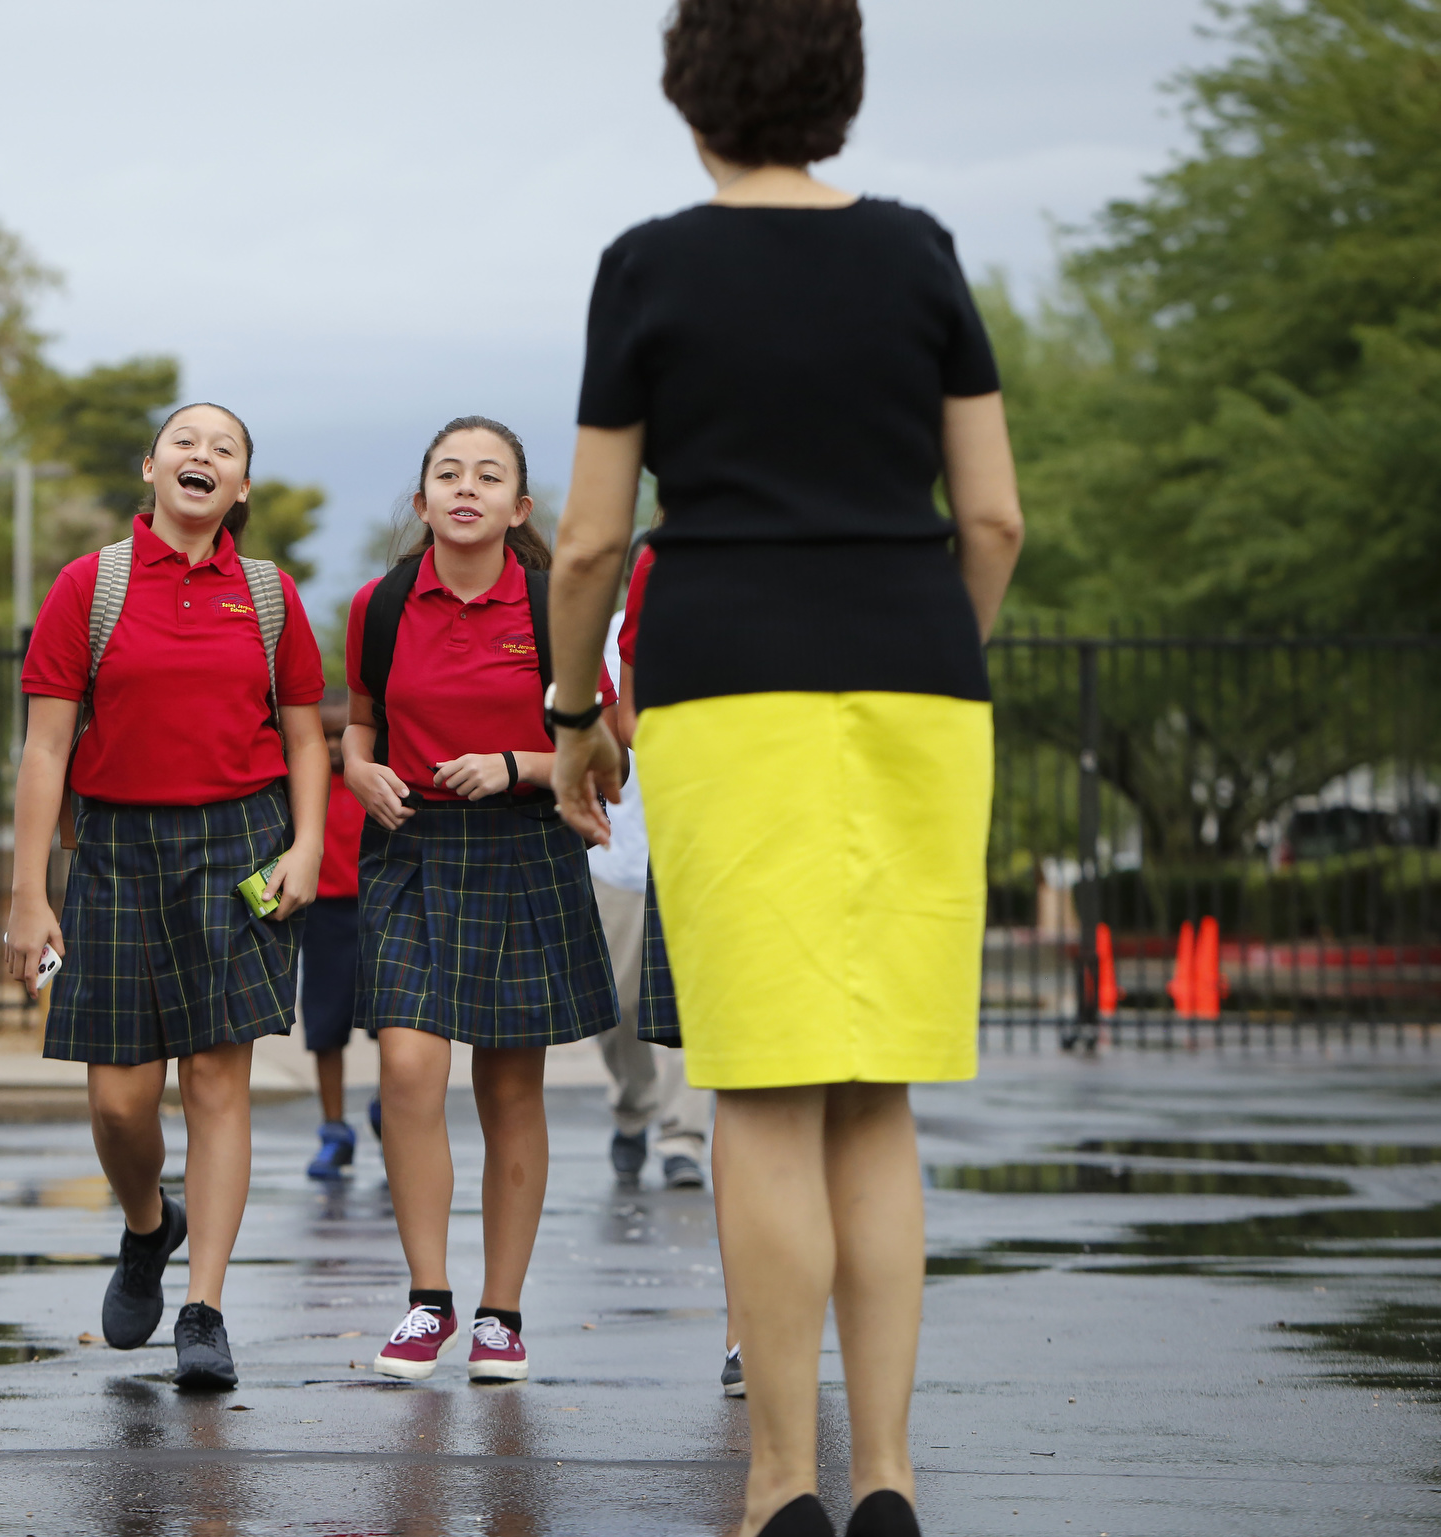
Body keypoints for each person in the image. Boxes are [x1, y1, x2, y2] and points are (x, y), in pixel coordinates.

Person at [545, 2, 1025, 1533]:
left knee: (758, 1090)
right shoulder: (920, 251)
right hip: (919, 680)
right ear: (844, 89)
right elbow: (997, 520)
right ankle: (886, 1475)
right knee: (875, 1092)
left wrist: (572, 711)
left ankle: (781, 1484)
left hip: (728, 684)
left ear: (690, 94)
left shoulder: (651, 265)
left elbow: (594, 538)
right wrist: (934, 645)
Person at [6, 402, 330, 1391]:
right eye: (184, 442)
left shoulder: (268, 598)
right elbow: (45, 749)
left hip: (237, 843)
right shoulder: (89, 586)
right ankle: (148, 1225)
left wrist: (309, 844)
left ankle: (205, 1306)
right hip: (113, 849)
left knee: (216, 1084)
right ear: (150, 468)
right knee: (117, 1101)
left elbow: (309, 735)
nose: (201, 456)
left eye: (222, 450)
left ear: (237, 490)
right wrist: (28, 893)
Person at [343, 416, 621, 1385]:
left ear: (518, 505)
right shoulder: (379, 606)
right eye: (446, 473)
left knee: (510, 1090)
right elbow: (358, 727)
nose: (466, 487)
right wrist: (357, 771)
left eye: (487, 474)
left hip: (523, 849)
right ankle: (428, 1301)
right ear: (420, 502)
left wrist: (518, 763)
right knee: (409, 1073)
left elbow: (609, 758)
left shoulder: (556, 610)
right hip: (413, 850)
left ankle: (500, 1314)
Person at [592, 541, 713, 1192]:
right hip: (618, 852)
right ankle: (635, 1105)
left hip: (696, 850)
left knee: (690, 1006)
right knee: (619, 1007)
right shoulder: (607, 642)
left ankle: (683, 1138)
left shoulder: (716, 632)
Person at [302, 688, 371, 1179]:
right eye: (320, 737)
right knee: (326, 1030)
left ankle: (394, 1110)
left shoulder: (372, 782)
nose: (329, 747)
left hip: (376, 909)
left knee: (394, 1025)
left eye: (337, 736)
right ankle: (333, 1128)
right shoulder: (304, 789)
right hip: (323, 915)